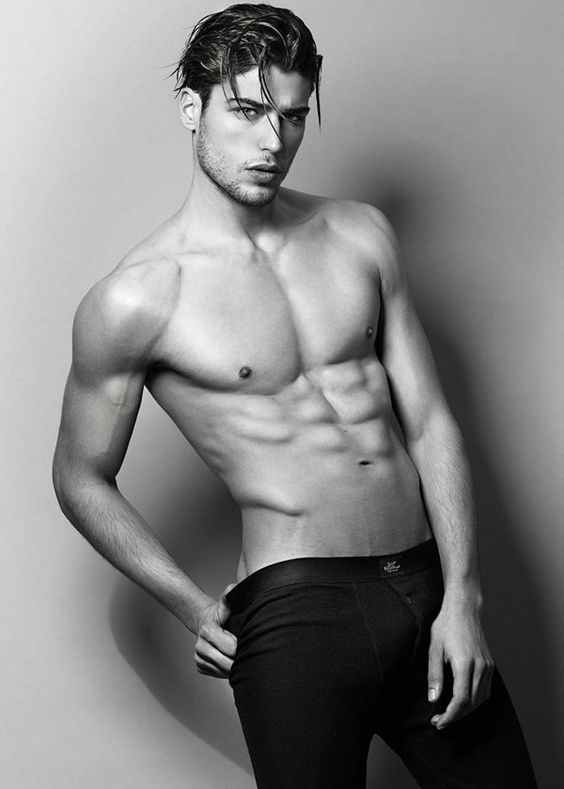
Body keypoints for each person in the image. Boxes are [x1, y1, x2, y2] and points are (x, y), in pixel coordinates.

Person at [52, 4, 538, 787]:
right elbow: (79, 475)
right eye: (247, 112)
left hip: (426, 587)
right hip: (296, 618)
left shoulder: (361, 236)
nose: (272, 141)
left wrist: (463, 595)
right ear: (193, 107)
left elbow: (430, 421)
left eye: (292, 115)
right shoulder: (138, 299)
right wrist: (188, 602)